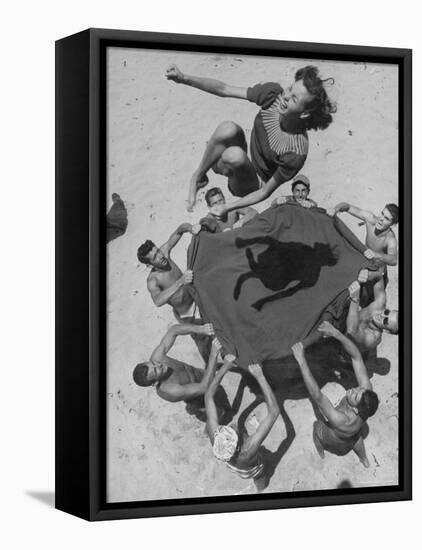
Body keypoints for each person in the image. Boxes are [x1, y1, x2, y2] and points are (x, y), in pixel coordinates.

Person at [166, 64, 336, 213]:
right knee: (228, 128)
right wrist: (184, 78)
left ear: (304, 113)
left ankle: (220, 163)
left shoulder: (295, 152)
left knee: (234, 155)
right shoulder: (273, 95)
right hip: (246, 152)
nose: (285, 96)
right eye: (290, 88)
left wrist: (228, 207)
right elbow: (225, 89)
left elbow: (265, 192)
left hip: (252, 183)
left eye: (294, 99)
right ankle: (199, 177)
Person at [292, 321, 379, 467]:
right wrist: (336, 333)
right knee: (356, 439)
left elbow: (317, 395)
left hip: (334, 438)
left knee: (316, 427)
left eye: (355, 395)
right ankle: (364, 460)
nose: (354, 389)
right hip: (353, 435)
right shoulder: (366, 396)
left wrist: (301, 360)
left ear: (355, 409)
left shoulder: (340, 420)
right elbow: (356, 356)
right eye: (359, 390)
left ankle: (321, 452)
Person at [205, 358, 279, 479]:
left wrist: (225, 367)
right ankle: (261, 480)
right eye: (233, 432)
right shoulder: (248, 451)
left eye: (227, 429)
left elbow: (208, 397)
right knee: (261, 475)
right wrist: (260, 377)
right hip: (248, 469)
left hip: (230, 460)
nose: (231, 426)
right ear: (239, 446)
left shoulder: (217, 438)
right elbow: (274, 412)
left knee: (239, 424)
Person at [132, 323, 217, 405]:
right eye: (155, 370)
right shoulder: (171, 390)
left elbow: (173, 330)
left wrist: (200, 329)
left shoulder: (157, 357)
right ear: (155, 383)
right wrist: (213, 353)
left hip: (202, 375)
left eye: (153, 363)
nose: (159, 365)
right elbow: (204, 387)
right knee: (221, 412)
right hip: (200, 396)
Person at [137, 222, 201, 320]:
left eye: (158, 251)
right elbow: (158, 301)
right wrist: (180, 282)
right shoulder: (153, 280)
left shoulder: (164, 252)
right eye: (155, 257)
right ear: (149, 265)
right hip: (187, 313)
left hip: (195, 296)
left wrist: (191, 228)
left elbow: (179, 231)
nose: (161, 256)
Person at [331, 202, 398, 266]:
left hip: (376, 268)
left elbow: (393, 259)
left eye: (386, 218)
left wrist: (375, 255)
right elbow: (348, 207)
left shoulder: (390, 239)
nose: (381, 219)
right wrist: (336, 209)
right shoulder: (371, 219)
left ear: (392, 224)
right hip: (364, 259)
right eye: (382, 214)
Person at [346, 275, 398, 352]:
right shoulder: (379, 305)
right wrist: (367, 273)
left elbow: (351, 331)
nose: (382, 315)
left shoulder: (372, 339)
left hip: (341, 345)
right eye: (387, 312)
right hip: (348, 317)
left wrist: (355, 299)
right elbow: (379, 277)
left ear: (387, 331)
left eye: (385, 321)